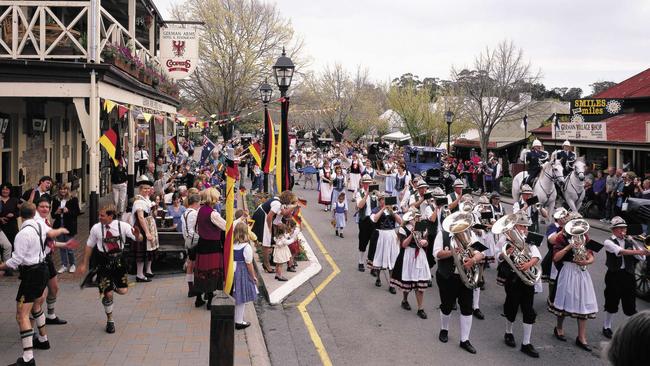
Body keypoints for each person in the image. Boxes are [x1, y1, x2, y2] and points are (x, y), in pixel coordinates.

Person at [0, 203, 68, 366]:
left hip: (32, 274)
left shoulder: (23, 234)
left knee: (21, 314)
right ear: (34, 212)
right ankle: (43, 339)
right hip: (43, 269)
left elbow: (16, 261)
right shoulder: (41, 227)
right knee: (36, 306)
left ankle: (28, 358)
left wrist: (1, 266)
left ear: (20, 216)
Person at [76, 204, 139, 333]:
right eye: (99, 215)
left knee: (123, 291)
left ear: (111, 216)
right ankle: (110, 320)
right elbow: (89, 246)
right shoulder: (96, 228)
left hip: (119, 262)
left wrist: (138, 236)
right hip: (103, 262)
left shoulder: (123, 226)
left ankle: (110, 286)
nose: (99, 217)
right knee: (108, 294)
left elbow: (138, 238)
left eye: (102, 215)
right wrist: (84, 263)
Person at [433, 211, 485, 354]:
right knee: (446, 306)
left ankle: (465, 340)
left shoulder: (471, 235)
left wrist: (473, 260)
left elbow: (482, 253)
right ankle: (444, 329)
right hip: (447, 276)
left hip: (466, 278)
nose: (461, 229)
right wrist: (452, 252)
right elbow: (436, 253)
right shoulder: (442, 234)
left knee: (467, 308)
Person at [548, 217, 598, 351]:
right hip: (567, 270)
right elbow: (556, 258)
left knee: (583, 302)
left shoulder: (584, 237)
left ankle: (581, 337)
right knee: (564, 301)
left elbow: (591, 255)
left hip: (581, 272)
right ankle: (559, 328)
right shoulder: (561, 238)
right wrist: (569, 246)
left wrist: (587, 261)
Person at [496, 213, 542, 358]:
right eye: (522, 226)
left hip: (526, 278)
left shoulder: (529, 240)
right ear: (515, 226)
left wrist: (528, 263)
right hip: (512, 278)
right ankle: (508, 332)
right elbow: (498, 255)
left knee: (528, 310)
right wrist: (506, 253)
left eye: (526, 227)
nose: (524, 229)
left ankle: (526, 343)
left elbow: (537, 256)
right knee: (512, 307)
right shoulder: (505, 238)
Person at [601, 217, 649, 339]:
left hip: (628, 275)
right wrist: (639, 252)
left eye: (625, 228)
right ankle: (606, 326)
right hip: (614, 275)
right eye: (621, 228)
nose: (624, 231)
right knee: (612, 301)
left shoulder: (629, 242)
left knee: (630, 304)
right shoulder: (608, 242)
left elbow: (641, 259)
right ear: (614, 230)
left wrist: (634, 243)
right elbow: (620, 251)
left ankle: (631, 329)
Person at [390, 209, 430, 319]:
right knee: (407, 281)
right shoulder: (403, 228)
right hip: (408, 254)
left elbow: (426, 241)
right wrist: (412, 234)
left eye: (417, 217)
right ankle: (405, 300)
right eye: (413, 217)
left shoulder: (423, 227)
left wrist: (424, 242)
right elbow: (403, 244)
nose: (415, 219)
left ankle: (420, 308)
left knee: (420, 282)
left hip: (419, 255)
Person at [34, 197, 67, 325]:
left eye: (47, 207)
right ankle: (34, 324)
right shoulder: (37, 222)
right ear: (37, 208)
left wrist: (64, 245)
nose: (45, 209)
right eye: (42, 206)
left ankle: (51, 316)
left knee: (54, 288)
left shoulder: (45, 220)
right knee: (39, 296)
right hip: (38, 262)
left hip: (48, 259)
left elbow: (49, 241)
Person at [194, 187, 227, 309]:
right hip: (212, 245)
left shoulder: (200, 210)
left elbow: (196, 228)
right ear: (213, 198)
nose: (218, 199)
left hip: (202, 243)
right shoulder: (213, 214)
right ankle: (210, 301)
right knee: (211, 272)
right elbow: (226, 227)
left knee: (201, 271)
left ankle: (198, 298)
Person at [251, 190, 298, 273]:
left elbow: (282, 214)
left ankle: (267, 263)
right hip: (263, 217)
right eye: (290, 202)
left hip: (262, 215)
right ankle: (266, 265)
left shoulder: (278, 201)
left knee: (268, 242)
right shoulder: (277, 204)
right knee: (266, 243)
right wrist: (269, 228)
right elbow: (269, 217)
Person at [369, 193, 402, 293]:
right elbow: (374, 219)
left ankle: (391, 284)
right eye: (382, 199)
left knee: (392, 259)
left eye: (386, 199)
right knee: (380, 256)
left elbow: (401, 222)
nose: (384, 201)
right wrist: (383, 209)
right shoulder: (376, 209)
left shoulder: (393, 209)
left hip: (391, 235)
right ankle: (378, 278)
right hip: (381, 235)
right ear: (379, 201)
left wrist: (392, 211)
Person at [231, 221, 258, 330]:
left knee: (235, 295)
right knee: (241, 297)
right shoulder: (246, 247)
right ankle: (238, 321)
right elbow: (249, 263)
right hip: (241, 271)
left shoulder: (232, 245)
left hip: (232, 271)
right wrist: (253, 276)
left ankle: (237, 318)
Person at [130, 175, 157, 282]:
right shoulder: (138, 202)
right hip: (141, 228)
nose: (147, 190)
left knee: (149, 250)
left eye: (148, 188)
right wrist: (147, 232)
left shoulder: (146, 199)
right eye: (144, 188)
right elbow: (141, 218)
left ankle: (148, 270)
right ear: (140, 189)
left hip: (148, 225)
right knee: (141, 250)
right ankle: (139, 275)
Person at [51, 183, 80, 274]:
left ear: (68, 190)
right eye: (61, 189)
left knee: (69, 247)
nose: (63, 191)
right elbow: (52, 215)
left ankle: (72, 264)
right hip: (59, 225)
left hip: (69, 225)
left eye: (65, 189)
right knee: (62, 247)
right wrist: (57, 212)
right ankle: (64, 265)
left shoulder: (73, 199)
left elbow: (77, 213)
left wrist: (68, 211)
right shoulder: (56, 200)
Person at [355, 175, 379, 272]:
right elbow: (360, 206)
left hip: (374, 219)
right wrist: (366, 194)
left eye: (369, 183)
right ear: (362, 183)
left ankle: (372, 263)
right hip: (364, 220)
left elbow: (380, 204)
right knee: (363, 241)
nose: (367, 184)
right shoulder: (359, 193)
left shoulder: (375, 193)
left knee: (374, 243)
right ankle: (360, 262)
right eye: (366, 183)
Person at [181, 194, 201, 298]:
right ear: (195, 203)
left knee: (190, 264)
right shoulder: (194, 213)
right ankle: (194, 288)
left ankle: (191, 288)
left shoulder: (184, 213)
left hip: (187, 241)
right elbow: (194, 229)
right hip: (194, 241)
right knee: (194, 265)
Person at [0, 182, 19, 275]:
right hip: (1, 226)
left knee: (13, 245)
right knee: (4, 247)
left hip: (12, 226)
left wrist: (14, 214)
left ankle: (11, 266)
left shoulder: (14, 200)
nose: (5, 191)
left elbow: (19, 212)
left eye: (7, 189)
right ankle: (4, 266)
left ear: (10, 190)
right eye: (3, 189)